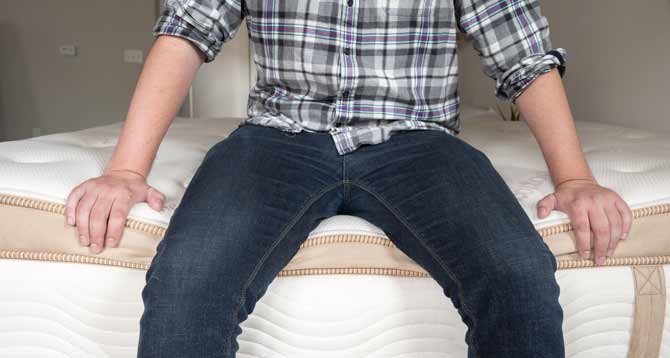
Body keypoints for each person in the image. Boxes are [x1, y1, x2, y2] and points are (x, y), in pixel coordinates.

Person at [63, 0, 632, 357]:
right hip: (279, 136)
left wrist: (576, 177)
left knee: (518, 274)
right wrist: (126, 170)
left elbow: (522, 55)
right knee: (188, 277)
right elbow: (186, 29)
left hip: (418, 140)